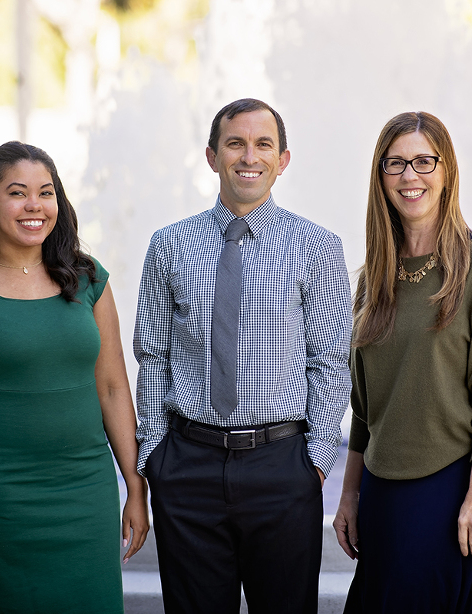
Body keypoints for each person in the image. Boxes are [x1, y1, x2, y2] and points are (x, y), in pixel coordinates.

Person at [134, 98, 352, 614]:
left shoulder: (316, 247)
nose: (248, 156)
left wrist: (316, 461)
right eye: (235, 143)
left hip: (283, 466)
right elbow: (152, 357)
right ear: (212, 156)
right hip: (187, 467)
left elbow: (330, 363)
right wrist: (154, 458)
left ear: (283, 159)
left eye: (262, 145)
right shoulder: (169, 246)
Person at [0, 141, 149, 613]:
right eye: (17, 193)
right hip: (0, 496)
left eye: (46, 193)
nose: (34, 206)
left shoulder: (89, 279)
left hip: (85, 492)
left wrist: (135, 484)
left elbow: (112, 388)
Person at [333, 111, 472, 614]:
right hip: (383, 488)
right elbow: (365, 405)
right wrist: (350, 493)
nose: (409, 176)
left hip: (455, 483)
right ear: (380, 178)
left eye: (423, 161)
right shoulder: (373, 282)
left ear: (447, 171)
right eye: (395, 164)